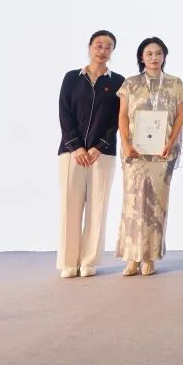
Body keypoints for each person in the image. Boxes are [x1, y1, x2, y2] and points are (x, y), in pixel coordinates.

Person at [117, 37, 183, 276]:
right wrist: (126, 144)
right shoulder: (130, 84)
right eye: (149, 53)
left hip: (162, 153)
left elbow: (180, 116)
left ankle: (149, 257)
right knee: (133, 204)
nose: (154, 57)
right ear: (142, 57)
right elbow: (123, 116)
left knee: (157, 204)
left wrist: (171, 142)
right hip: (135, 153)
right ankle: (132, 257)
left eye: (158, 53)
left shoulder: (175, 84)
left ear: (164, 56)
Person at [56, 30, 125, 279]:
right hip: (71, 153)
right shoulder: (72, 78)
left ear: (112, 51)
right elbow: (64, 113)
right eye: (99, 45)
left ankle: (88, 261)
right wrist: (76, 146)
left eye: (108, 46)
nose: (103, 50)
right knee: (70, 207)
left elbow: (119, 118)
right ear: (89, 47)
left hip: (102, 154)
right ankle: (68, 262)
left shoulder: (118, 82)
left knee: (98, 207)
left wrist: (99, 146)